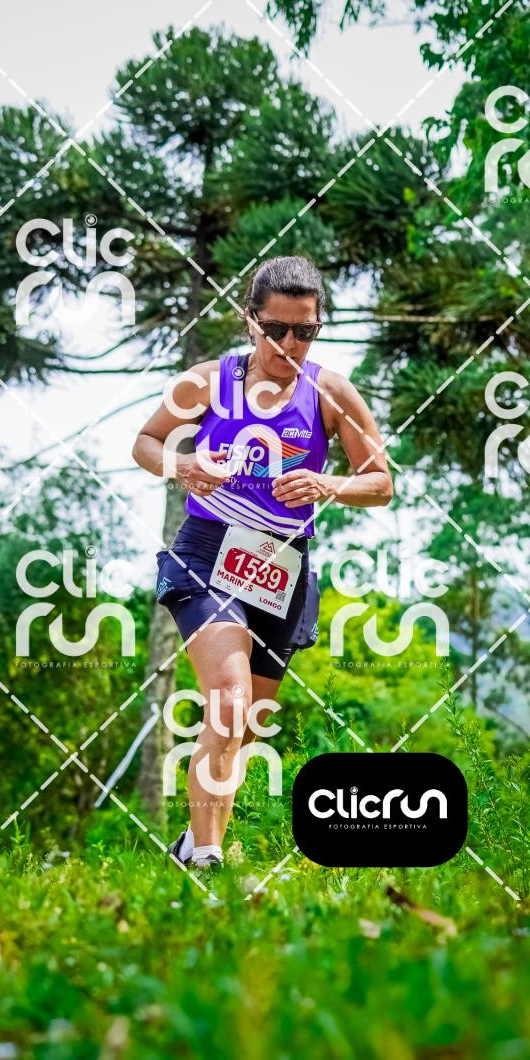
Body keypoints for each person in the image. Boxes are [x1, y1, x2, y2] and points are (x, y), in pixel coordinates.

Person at [132, 255, 393, 871]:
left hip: (281, 565)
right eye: (276, 329)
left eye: (305, 330)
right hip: (208, 551)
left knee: (244, 723)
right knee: (228, 701)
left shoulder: (331, 393)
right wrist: (182, 465)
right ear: (249, 319)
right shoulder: (206, 381)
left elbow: (380, 481)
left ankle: (191, 845)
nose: (289, 344)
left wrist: (329, 485)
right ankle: (209, 860)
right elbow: (145, 441)